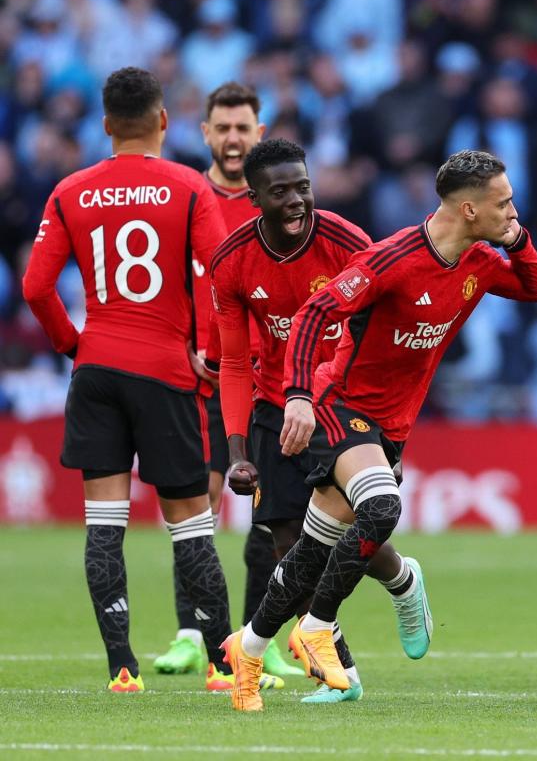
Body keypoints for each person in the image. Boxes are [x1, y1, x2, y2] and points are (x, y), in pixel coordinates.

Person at [222, 149, 537, 711]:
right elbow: (313, 314)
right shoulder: (392, 259)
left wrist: (517, 241)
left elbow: (535, 288)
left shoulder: (479, 260)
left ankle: (248, 652)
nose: (513, 211)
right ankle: (319, 626)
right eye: (504, 204)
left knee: (309, 548)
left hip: (392, 424)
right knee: (381, 509)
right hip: (338, 403)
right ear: (470, 210)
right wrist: (299, 396)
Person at [21, 66, 238, 693]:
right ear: (164, 121)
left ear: (107, 125)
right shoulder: (190, 187)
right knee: (191, 526)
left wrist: (73, 344)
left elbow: (36, 287)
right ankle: (225, 669)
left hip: (98, 369)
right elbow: (217, 282)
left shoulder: (71, 190)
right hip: (165, 372)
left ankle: (122, 668)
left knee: (103, 525)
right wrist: (212, 352)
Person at [213, 138, 434, 706]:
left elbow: (373, 336)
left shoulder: (348, 243)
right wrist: (237, 448)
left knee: (349, 525)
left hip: (338, 403)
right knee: (290, 545)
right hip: (270, 407)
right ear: (254, 195)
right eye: (280, 191)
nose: (296, 201)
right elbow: (235, 361)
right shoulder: (232, 261)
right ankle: (343, 673)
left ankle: (402, 580)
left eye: (303, 187)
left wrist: (311, 396)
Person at [155, 80, 304, 683]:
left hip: (260, 382)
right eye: (224, 127)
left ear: (259, 133)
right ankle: (192, 634)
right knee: (196, 507)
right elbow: (163, 282)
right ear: (205, 133)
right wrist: (182, 344)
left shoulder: (275, 201)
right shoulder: (186, 197)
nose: (234, 137)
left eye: (245, 127)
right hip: (194, 378)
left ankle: (256, 639)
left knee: (264, 514)